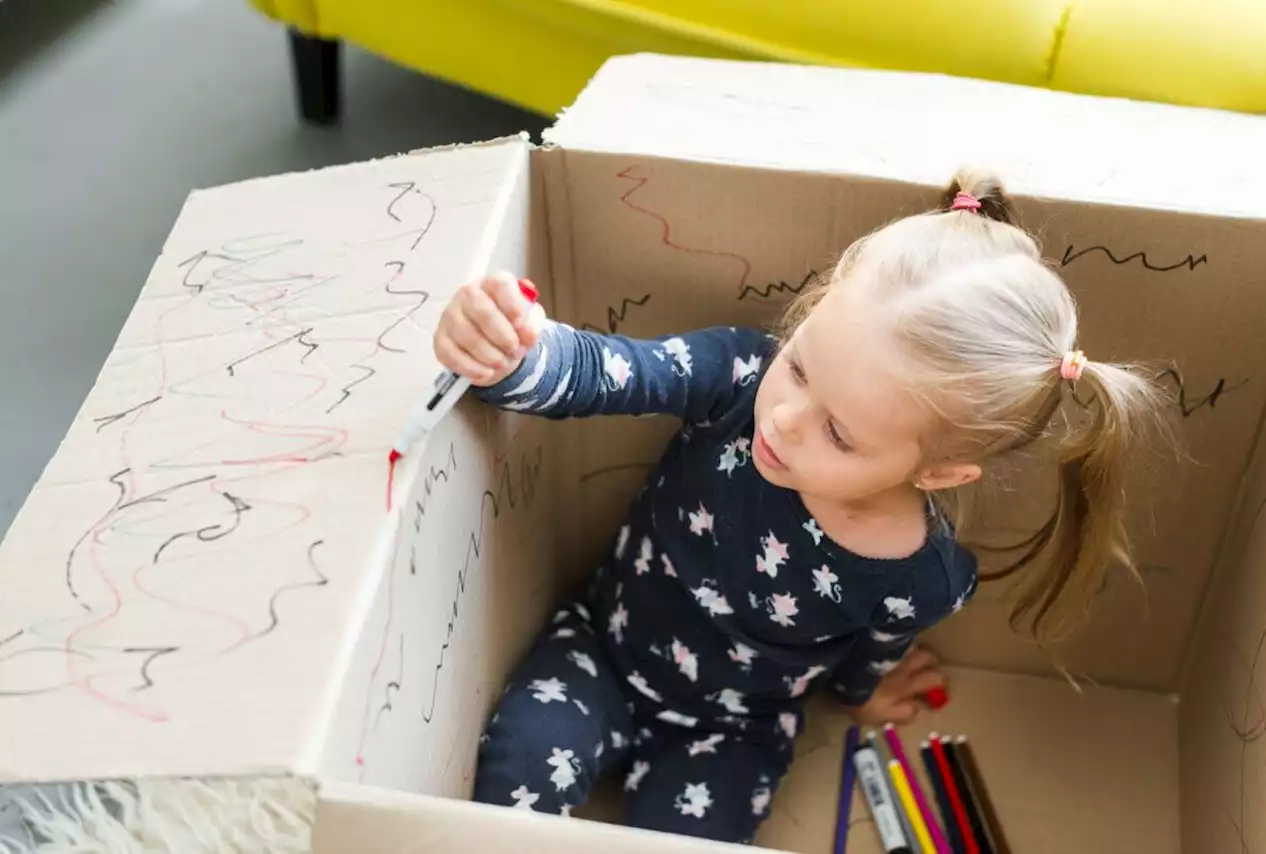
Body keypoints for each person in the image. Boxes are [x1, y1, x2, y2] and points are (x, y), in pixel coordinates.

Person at [433, 171, 1167, 843]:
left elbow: (867, 655)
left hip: (732, 731)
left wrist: (864, 696)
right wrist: (511, 356)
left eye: (839, 433)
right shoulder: (740, 377)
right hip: (600, 651)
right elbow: (608, 373)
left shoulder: (922, 578)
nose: (782, 419)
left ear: (939, 473)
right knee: (509, 798)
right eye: (800, 366)